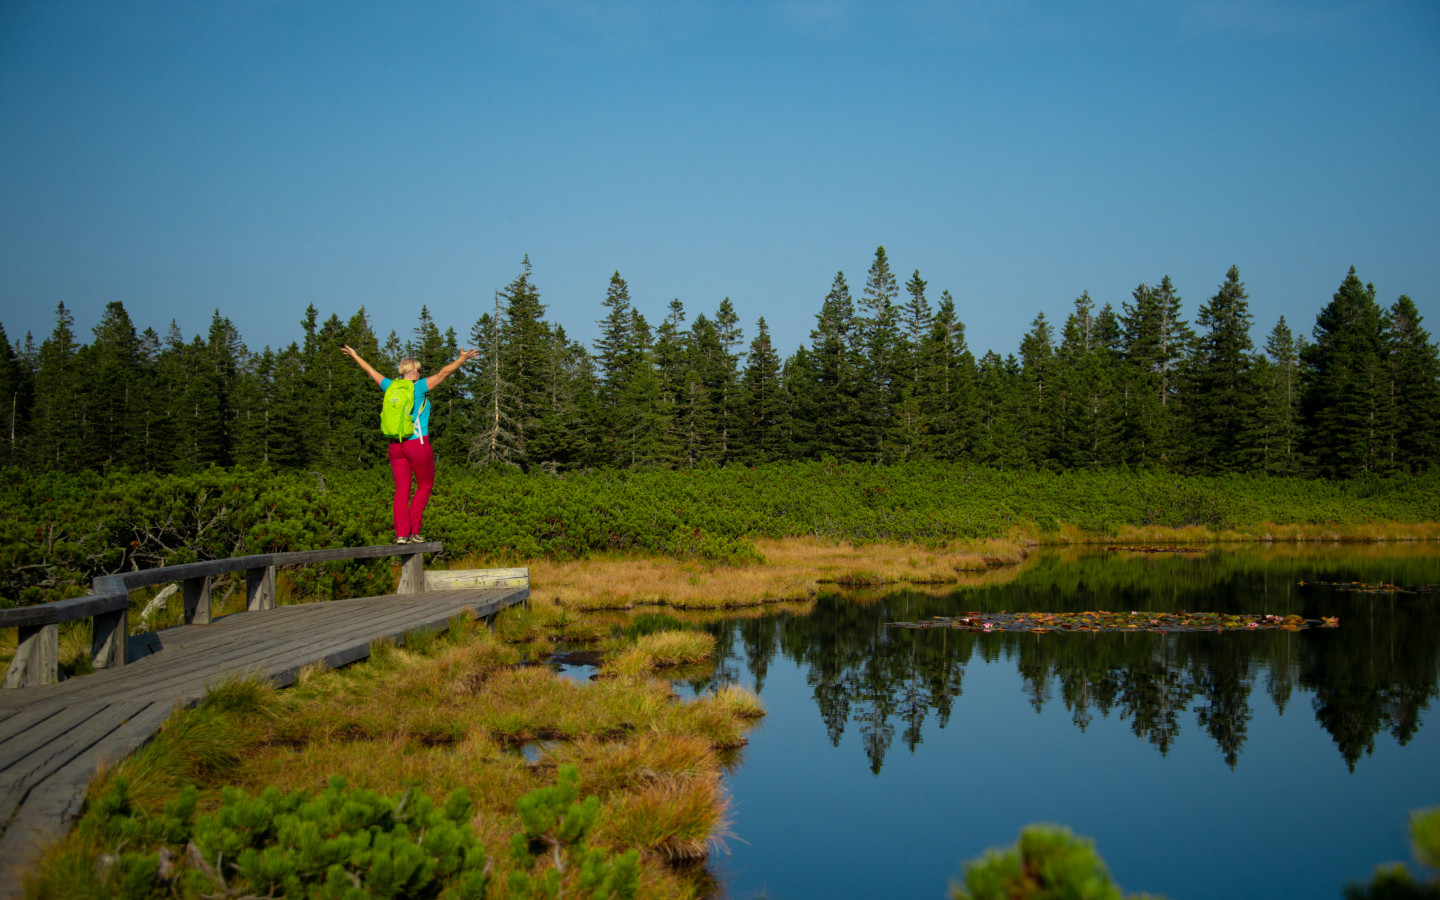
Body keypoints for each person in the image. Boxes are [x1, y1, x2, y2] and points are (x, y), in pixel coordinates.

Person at [342, 344, 480, 543]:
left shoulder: (390, 386)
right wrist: (462, 359)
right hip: (417, 444)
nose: (420, 374)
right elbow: (443, 374)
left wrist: (355, 355)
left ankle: (401, 535)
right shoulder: (419, 387)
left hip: (395, 446)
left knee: (401, 491)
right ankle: (414, 531)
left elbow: (371, 371)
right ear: (415, 372)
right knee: (424, 485)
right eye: (419, 371)